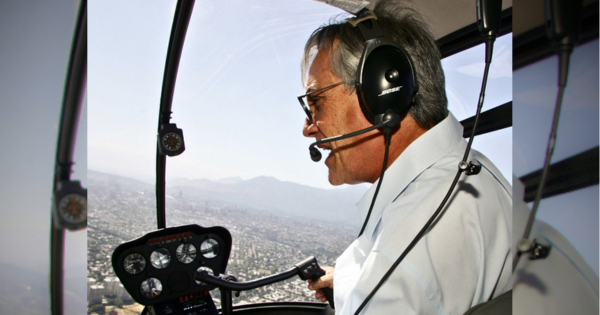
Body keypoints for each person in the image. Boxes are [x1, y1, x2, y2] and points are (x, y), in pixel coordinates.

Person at [298, 0, 512, 314]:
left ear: (383, 92)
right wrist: (343, 279)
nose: (308, 128)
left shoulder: (408, 251)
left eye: (316, 103)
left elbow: (405, 275)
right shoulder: (468, 174)